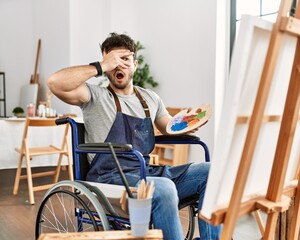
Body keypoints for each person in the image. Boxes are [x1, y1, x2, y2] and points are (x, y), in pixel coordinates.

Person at [47, 32, 221, 240]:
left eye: (125, 60)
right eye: (113, 61)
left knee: (213, 172)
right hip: (109, 177)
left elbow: (168, 126)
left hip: (146, 172)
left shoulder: (150, 98)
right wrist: (100, 65)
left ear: (135, 64)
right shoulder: (94, 96)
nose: (119, 66)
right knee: (163, 188)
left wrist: (185, 124)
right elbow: (54, 82)